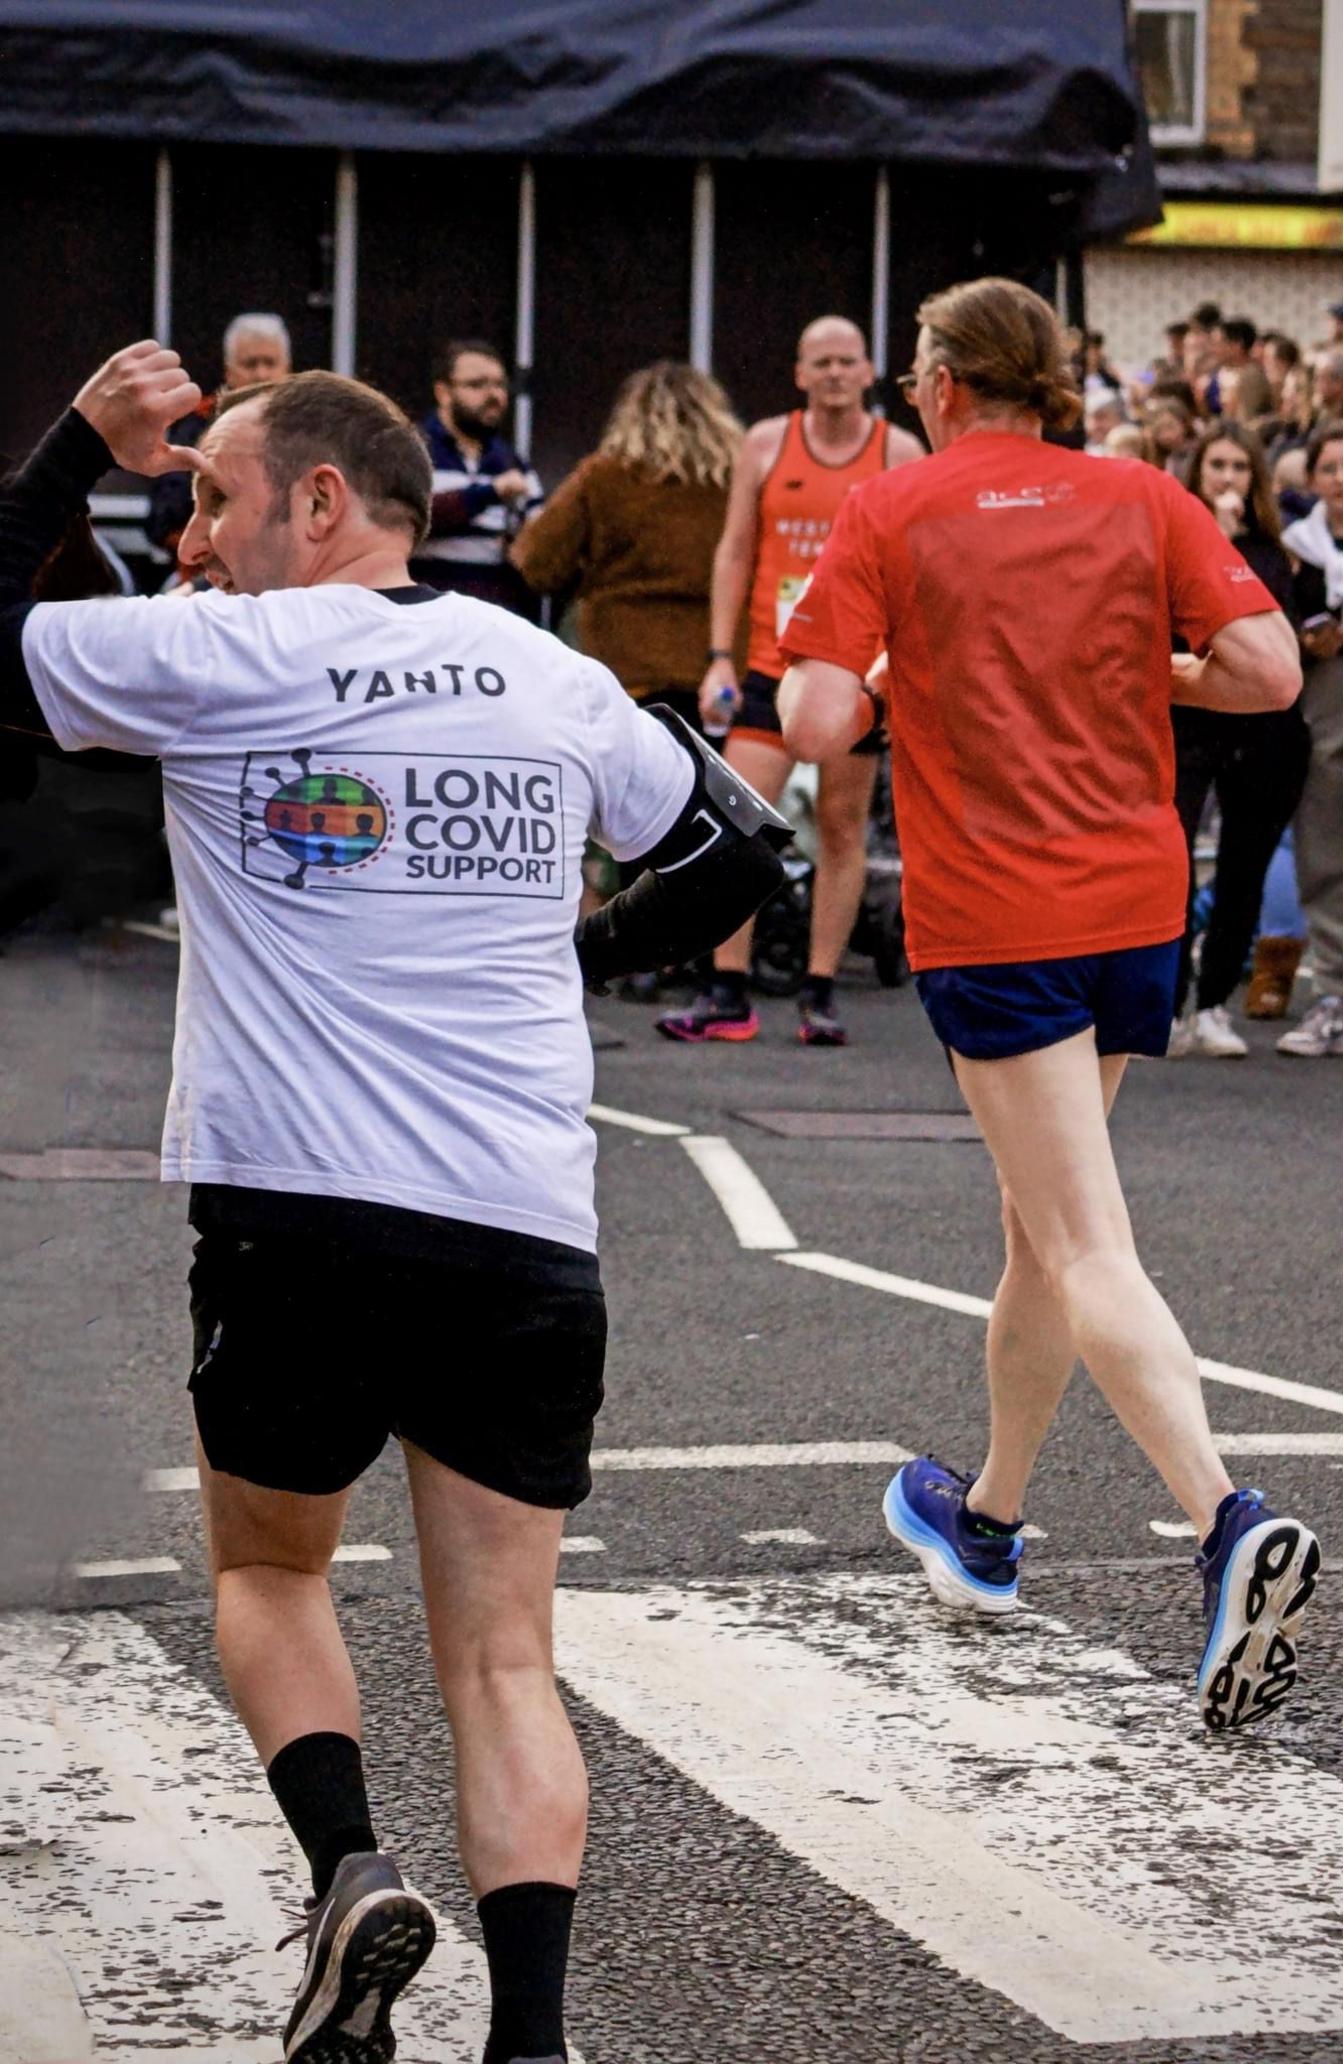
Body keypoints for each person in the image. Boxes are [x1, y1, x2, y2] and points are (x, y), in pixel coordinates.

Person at [0, 342, 786, 2060]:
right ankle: (532, 2037)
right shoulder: (544, 670)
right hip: (521, 1215)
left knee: (271, 1573)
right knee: (505, 1657)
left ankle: (350, 1867)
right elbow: (741, 864)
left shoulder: (226, 653)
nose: (192, 540)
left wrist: (76, 449)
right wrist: (577, 958)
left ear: (323, 501)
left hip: (297, 1206)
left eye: (211, 499)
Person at [777, 276, 1318, 1731]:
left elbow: (819, 720)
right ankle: (992, 1518)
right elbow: (1267, 674)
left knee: (1081, 1238)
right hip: (1136, 903)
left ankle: (1226, 1521)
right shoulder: (1142, 495)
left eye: (911, 370)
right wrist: (1145, 665)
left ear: (947, 381)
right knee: (1039, 1223)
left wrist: (903, 675)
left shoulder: (893, 509)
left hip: (998, 911)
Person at [656, 315, 923, 1047]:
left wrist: (892, 667)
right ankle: (728, 989)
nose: (835, 374)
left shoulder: (898, 451)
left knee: (841, 827)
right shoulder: (766, 443)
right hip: (775, 665)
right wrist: (719, 654)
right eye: (821, 363)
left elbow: (913, 567)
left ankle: (821, 990)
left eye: (847, 361)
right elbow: (735, 552)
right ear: (800, 374)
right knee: (736, 825)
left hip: (854, 672)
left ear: (870, 372)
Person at [1166, 422, 1309, 1056]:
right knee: (1169, 865)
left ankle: (1215, 1002)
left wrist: (1229, 542)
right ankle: (1167, 1001)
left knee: (1242, 870)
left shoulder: (1272, 553)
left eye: (1239, 468)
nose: (1227, 478)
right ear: (1197, 473)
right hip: (1189, 720)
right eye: (1216, 465)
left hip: (1258, 732)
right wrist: (1210, 538)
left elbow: (1261, 625)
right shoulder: (1172, 543)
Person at [510, 362, 743, 734]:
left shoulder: (603, 476)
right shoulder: (739, 481)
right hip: (720, 669)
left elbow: (538, 563)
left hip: (623, 668)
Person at [1277, 421, 1343, 1057]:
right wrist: (1306, 638)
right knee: (1323, 864)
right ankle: (1337, 996)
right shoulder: (1295, 549)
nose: (1341, 479)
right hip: (1320, 719)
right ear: (1313, 481)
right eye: (1329, 468)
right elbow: (1274, 623)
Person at [412, 338, 543, 618]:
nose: (493, 395)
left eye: (500, 385)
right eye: (477, 385)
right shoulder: (412, 451)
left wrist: (520, 544)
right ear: (443, 392)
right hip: (428, 615)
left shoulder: (512, 461)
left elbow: (541, 539)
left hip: (493, 619)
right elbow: (408, 517)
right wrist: (488, 494)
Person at [144, 312, 292, 558]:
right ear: (229, 372)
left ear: (287, 370)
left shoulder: (306, 428)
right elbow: (162, 520)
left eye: (270, 363)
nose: (261, 375)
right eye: (250, 364)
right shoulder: (198, 427)